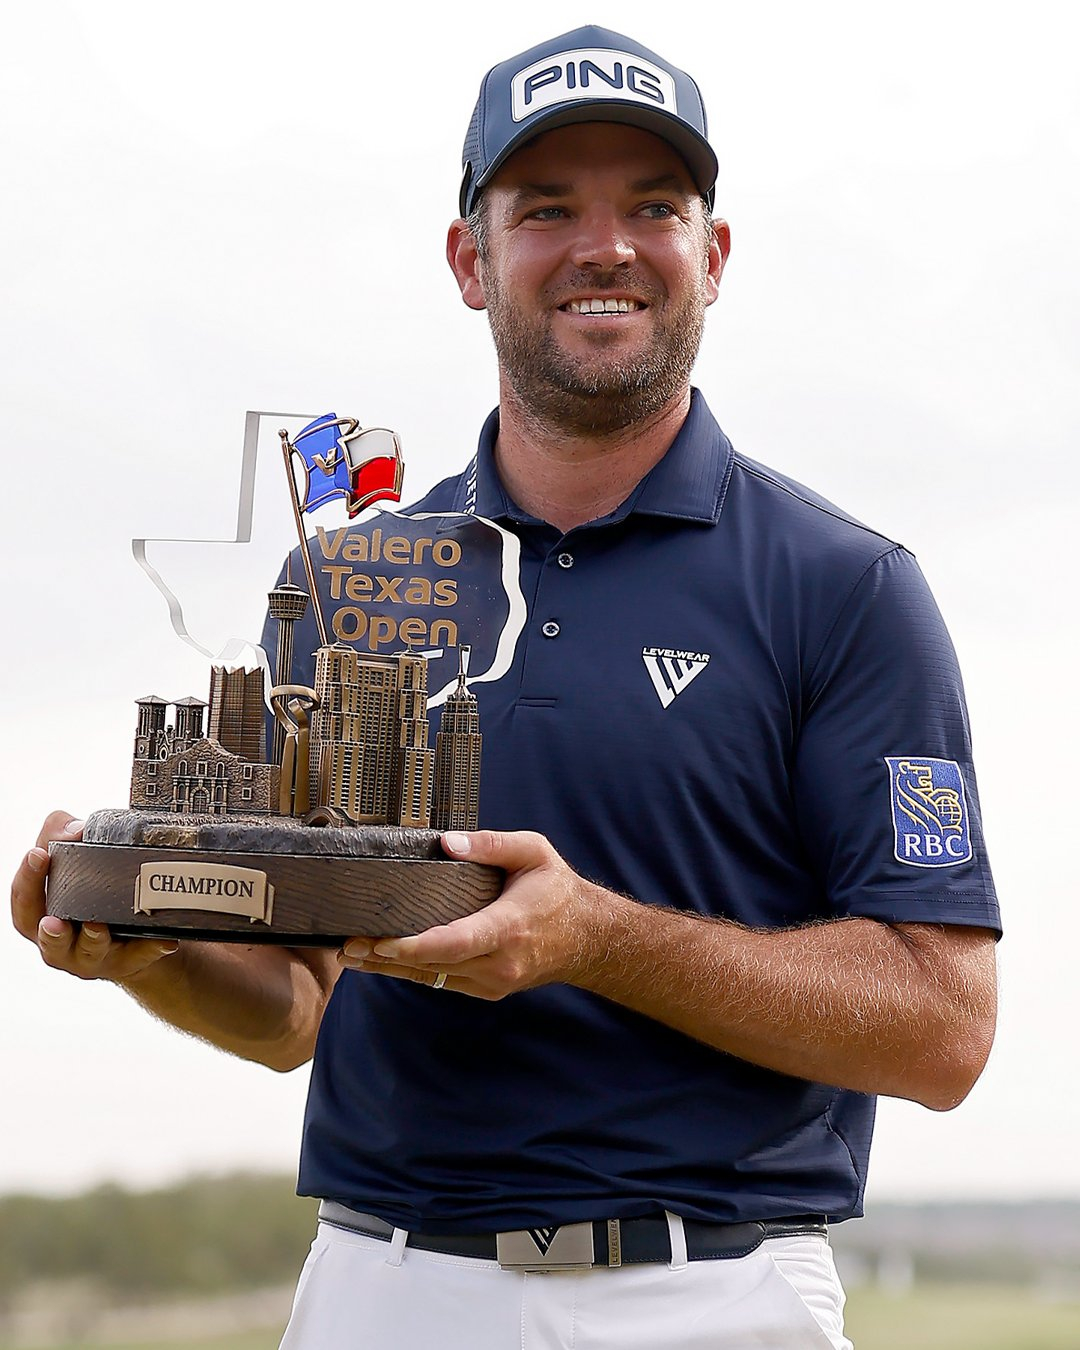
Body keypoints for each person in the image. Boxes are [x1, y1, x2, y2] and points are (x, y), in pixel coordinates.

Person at [12, 25, 1000, 1350]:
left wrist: (596, 935)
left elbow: (942, 1028)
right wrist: (146, 949)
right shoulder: (346, 582)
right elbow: (294, 1008)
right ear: (470, 260)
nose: (605, 245)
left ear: (711, 255)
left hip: (716, 1290)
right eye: (547, 209)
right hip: (390, 1283)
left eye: (653, 206)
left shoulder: (848, 588)